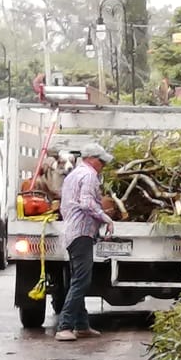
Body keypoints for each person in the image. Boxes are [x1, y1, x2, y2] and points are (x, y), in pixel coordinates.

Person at [55, 143, 116, 342]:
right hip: (81, 233)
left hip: (73, 232)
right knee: (81, 280)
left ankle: (82, 326)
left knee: (78, 279)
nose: (103, 165)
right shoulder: (89, 176)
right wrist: (106, 218)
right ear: (91, 158)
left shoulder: (73, 175)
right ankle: (65, 326)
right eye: (102, 161)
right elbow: (87, 203)